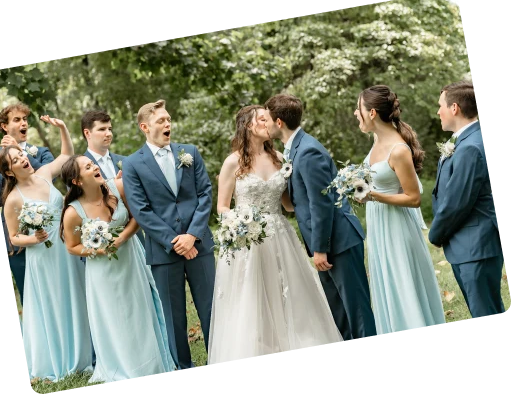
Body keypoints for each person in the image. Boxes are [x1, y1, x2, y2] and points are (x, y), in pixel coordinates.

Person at [208, 105, 344, 365]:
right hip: (247, 240)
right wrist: (238, 225)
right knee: (252, 297)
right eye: (262, 119)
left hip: (280, 236)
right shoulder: (232, 162)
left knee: (289, 293)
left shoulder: (280, 158)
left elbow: (288, 204)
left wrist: (314, 197)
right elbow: (222, 207)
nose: (268, 123)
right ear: (248, 125)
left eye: (268, 119)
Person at [263, 94, 377, 341]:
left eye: (267, 120)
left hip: (339, 242)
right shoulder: (294, 149)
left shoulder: (308, 151)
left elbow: (321, 203)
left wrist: (320, 249)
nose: (265, 125)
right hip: (328, 243)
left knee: (357, 313)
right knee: (340, 315)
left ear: (279, 122)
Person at [59, 155, 176, 383]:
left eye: (93, 164)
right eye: (88, 167)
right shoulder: (73, 212)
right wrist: (97, 250)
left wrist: (120, 238)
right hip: (102, 272)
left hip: (131, 260)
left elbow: (137, 217)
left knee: (139, 311)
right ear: (77, 181)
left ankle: (151, 363)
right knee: (116, 318)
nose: (95, 166)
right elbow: (72, 247)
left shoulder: (118, 187)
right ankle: (124, 366)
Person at [0, 115, 92, 382]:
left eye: (21, 155)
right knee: (54, 303)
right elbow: (14, 237)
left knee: (75, 296)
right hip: (42, 256)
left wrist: (62, 128)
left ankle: (83, 356)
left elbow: (66, 155)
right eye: (16, 160)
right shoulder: (13, 200)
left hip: (66, 248)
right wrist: (34, 239)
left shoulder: (44, 174)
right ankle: (60, 358)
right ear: (9, 172)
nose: (23, 159)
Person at [122, 100, 216, 371]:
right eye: (161, 121)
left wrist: (192, 235)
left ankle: (219, 358)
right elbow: (141, 210)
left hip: (199, 246)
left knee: (211, 309)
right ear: (144, 127)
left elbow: (205, 194)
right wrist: (175, 242)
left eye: (169, 120)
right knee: (173, 317)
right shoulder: (132, 164)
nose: (167, 124)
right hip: (164, 251)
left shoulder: (190, 152)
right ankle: (183, 368)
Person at [353, 85, 446, 335]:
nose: (355, 113)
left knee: (402, 283)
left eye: (358, 108)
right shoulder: (376, 141)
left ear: (372, 113)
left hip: (396, 227)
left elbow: (413, 198)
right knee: (386, 283)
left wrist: (373, 195)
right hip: (378, 224)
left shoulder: (399, 149)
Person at [428, 80, 505, 318]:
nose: (438, 111)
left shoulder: (470, 147)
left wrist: (435, 235)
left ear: (454, 108)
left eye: (440, 105)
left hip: (476, 247)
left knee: (484, 312)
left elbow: (457, 203)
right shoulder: (467, 140)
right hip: (470, 246)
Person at [0, 103, 55, 311]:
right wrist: (4, 158)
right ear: (4, 127)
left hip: (50, 233)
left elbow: (50, 179)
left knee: (57, 288)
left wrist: (21, 153)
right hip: (16, 240)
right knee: (30, 297)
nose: (23, 123)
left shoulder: (42, 153)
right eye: (17, 120)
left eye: (25, 119)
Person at [81, 110, 145, 247]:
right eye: (102, 129)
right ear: (87, 133)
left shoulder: (127, 162)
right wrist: (114, 188)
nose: (108, 133)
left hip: (136, 236)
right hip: (103, 242)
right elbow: (83, 205)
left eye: (110, 129)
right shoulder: (79, 169)